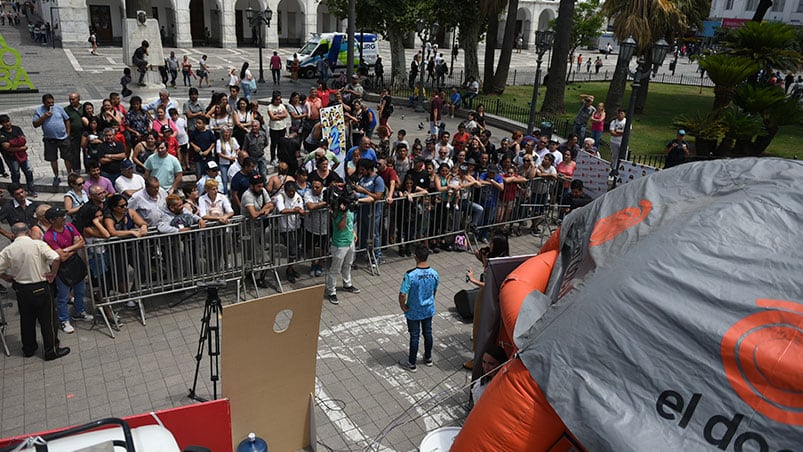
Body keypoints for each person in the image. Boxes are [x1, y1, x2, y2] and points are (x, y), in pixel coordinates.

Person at [0, 223, 69, 361]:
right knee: (48, 320)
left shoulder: (8, 250)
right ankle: (51, 350)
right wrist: (53, 273)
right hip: (40, 286)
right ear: (28, 232)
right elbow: (56, 257)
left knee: (26, 320)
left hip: (22, 289)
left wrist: (4, 276)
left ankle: (29, 348)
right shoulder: (38, 244)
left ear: (13, 234)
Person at [42, 207, 93, 334]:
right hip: (62, 269)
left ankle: (79, 312)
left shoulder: (69, 226)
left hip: (76, 264)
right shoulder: (49, 236)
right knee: (63, 297)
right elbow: (61, 258)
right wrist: (75, 248)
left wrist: (68, 249)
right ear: (52, 220)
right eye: (61, 217)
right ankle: (64, 320)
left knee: (80, 291)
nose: (64, 218)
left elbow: (81, 242)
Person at [398, 245, 439, 372]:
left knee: (414, 336)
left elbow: (403, 294)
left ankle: (411, 362)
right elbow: (434, 291)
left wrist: (403, 306)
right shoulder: (434, 273)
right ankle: (428, 358)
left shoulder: (410, 275)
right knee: (428, 333)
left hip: (414, 311)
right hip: (428, 309)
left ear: (415, 256)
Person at [325, 185, 360, 305]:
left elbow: (351, 223)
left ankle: (347, 284)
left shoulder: (349, 208)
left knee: (348, 264)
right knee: (335, 268)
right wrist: (343, 213)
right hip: (339, 243)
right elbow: (340, 227)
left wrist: (353, 233)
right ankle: (331, 291)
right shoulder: (336, 211)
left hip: (350, 241)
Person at [33, 93, 73, 186]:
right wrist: (44, 117)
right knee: (53, 159)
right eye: (48, 103)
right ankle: (56, 176)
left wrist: (68, 133)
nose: (51, 104)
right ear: (43, 102)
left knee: (67, 157)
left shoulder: (59, 108)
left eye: (52, 102)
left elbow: (67, 119)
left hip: (63, 138)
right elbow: (35, 124)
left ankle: (69, 174)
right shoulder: (39, 110)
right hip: (49, 139)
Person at [0, 114, 35, 196]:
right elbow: (6, 147)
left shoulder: (17, 129)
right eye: (4, 122)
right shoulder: (1, 133)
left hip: (22, 156)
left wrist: (12, 143)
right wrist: (20, 147)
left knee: (28, 171)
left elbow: (23, 140)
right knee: (15, 173)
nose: (7, 124)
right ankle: (15, 192)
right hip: (11, 157)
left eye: (8, 121)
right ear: (2, 124)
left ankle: (31, 190)